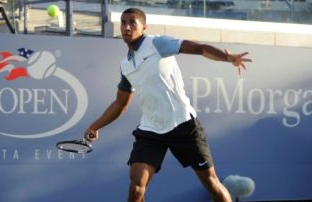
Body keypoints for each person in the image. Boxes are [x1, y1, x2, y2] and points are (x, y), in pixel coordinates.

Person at [83, 8, 251, 202]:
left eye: (132, 23)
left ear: (143, 27)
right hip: (151, 129)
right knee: (136, 188)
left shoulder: (158, 43)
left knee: (212, 183)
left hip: (183, 124)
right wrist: (95, 126)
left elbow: (200, 48)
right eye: (123, 22)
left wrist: (227, 57)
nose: (127, 27)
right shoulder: (126, 65)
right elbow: (121, 104)